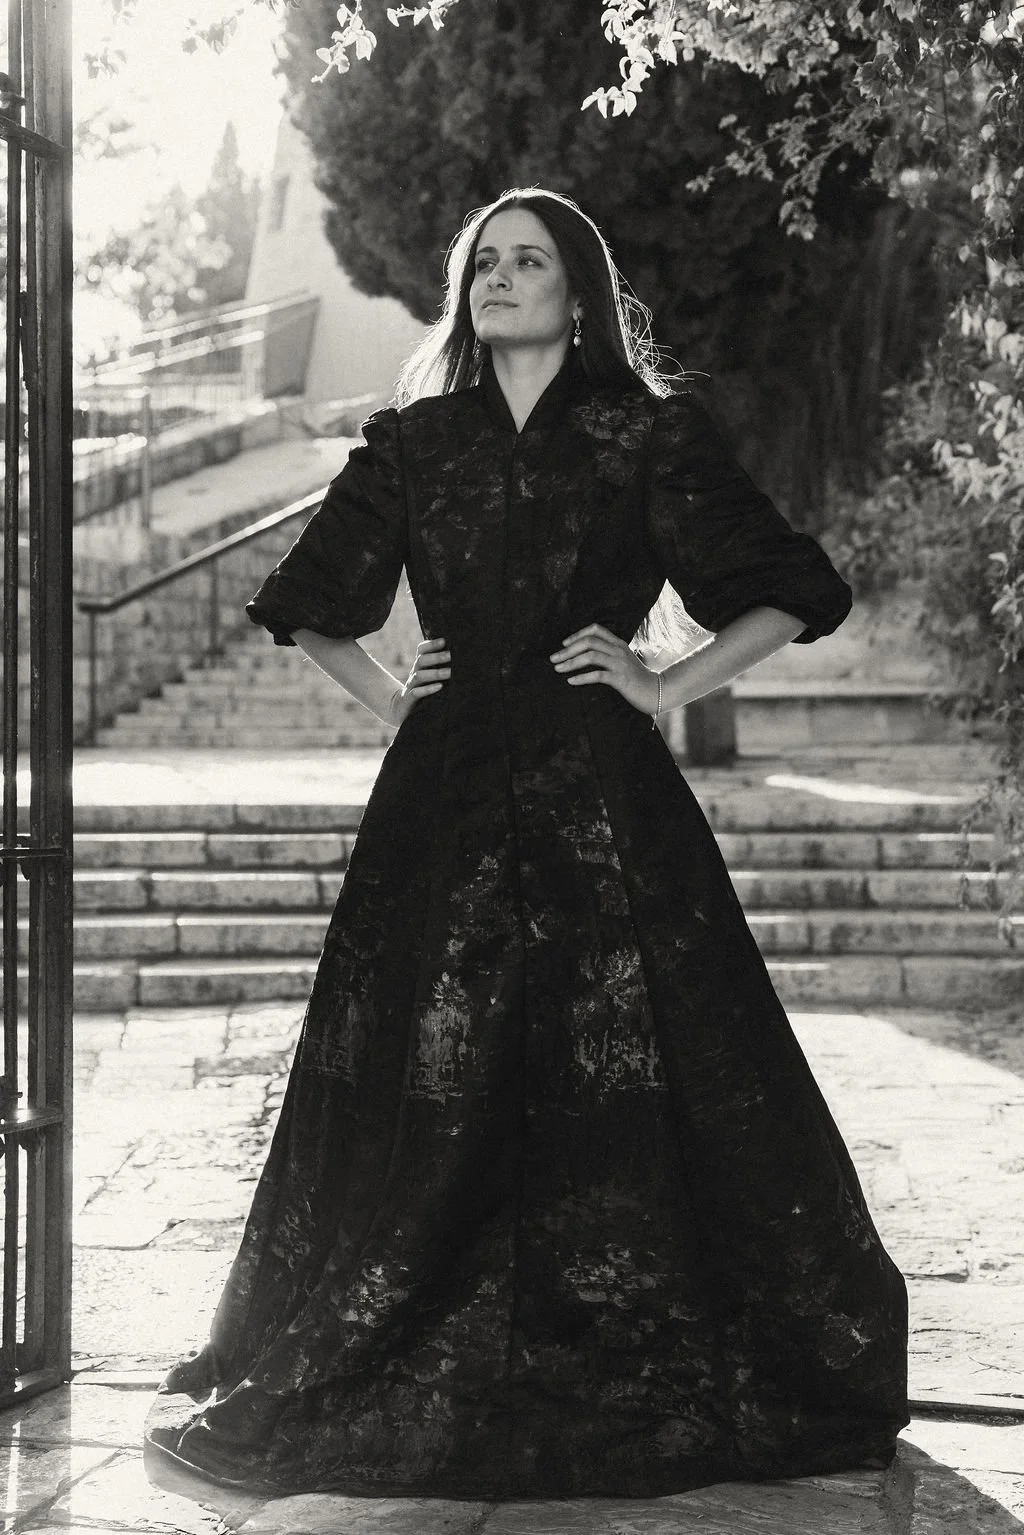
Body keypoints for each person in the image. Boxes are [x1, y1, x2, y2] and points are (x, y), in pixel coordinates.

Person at [144, 187, 908, 1500]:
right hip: (440, 798)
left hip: (602, 802)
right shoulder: (414, 439)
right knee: (429, 1070)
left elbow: (793, 587)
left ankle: (608, 1322)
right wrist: (394, 697)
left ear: (579, 289)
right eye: (483, 262)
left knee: (636, 1061)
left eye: (528, 260)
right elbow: (311, 601)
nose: (497, 279)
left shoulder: (645, 433)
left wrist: (664, 683)